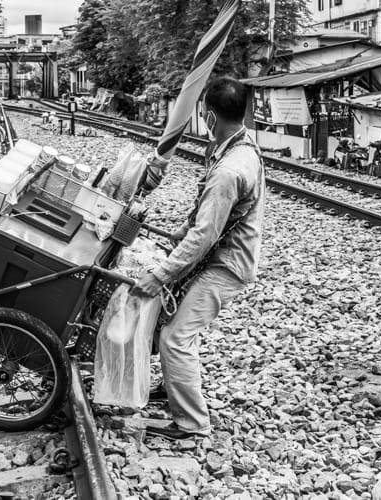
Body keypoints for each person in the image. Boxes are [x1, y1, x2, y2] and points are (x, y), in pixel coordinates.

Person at [131, 76, 265, 440]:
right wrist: (184, 229)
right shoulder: (241, 145)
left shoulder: (227, 171)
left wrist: (159, 275)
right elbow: (209, 220)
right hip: (225, 253)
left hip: (226, 265)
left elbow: (205, 238)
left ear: (208, 117)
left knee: (175, 337)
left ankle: (192, 424)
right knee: (174, 322)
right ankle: (175, 384)